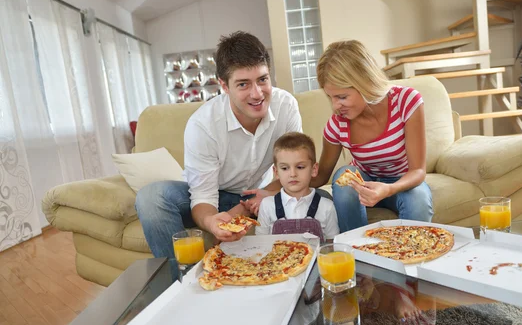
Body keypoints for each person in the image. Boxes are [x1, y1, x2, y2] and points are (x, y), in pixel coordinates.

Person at [135, 31, 302, 278]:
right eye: (243, 84)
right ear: (224, 86)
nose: (257, 94)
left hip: (264, 194)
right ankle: (183, 283)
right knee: (150, 198)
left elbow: (295, 169)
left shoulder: (286, 106)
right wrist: (212, 222)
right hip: (217, 194)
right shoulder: (203, 125)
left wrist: (259, 199)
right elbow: (202, 196)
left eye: (263, 79)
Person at [310, 40, 434, 232]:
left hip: (403, 182)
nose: (335, 106)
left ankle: (413, 255)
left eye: (342, 97)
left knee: (418, 198)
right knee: (343, 177)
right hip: (364, 185)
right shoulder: (337, 125)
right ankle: (356, 250)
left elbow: (418, 170)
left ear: (365, 83)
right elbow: (319, 177)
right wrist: (272, 189)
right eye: (330, 97)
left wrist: (388, 189)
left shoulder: (406, 101)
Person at [255, 132, 339, 240]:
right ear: (276, 172)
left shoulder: (327, 206)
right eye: (285, 168)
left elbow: (332, 245)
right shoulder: (267, 205)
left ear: (314, 170)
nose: (293, 174)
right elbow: (260, 244)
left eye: (300, 167)